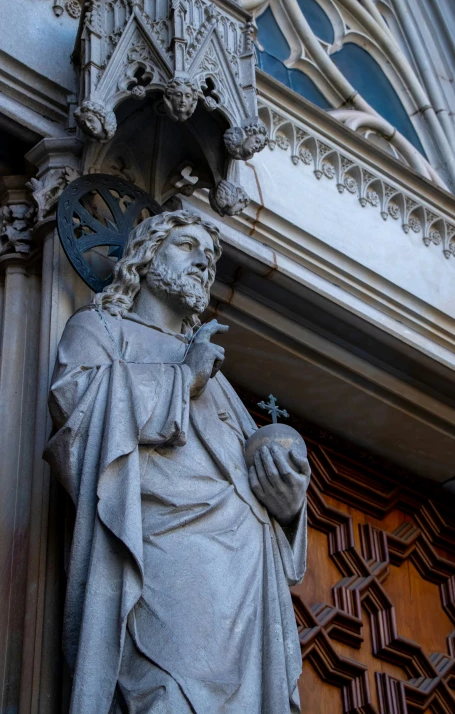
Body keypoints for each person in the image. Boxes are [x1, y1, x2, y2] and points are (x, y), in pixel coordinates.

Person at [45, 209, 309, 713]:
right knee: (165, 695)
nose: (203, 263)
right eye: (187, 247)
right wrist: (181, 381)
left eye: (210, 258)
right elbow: (77, 413)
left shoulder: (212, 365)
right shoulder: (99, 329)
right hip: (165, 558)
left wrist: (289, 505)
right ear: (145, 256)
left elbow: (248, 472)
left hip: (245, 574)